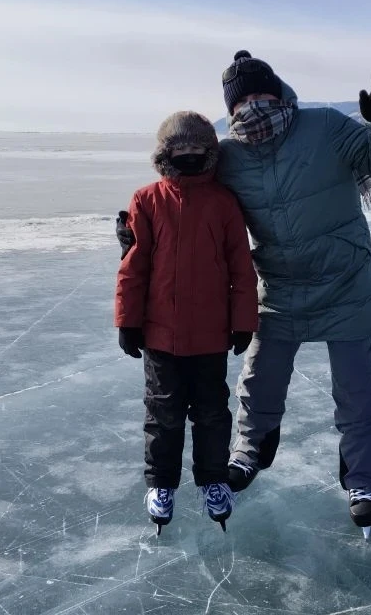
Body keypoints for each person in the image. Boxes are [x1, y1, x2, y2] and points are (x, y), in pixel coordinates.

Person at [118, 53, 371, 530]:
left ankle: (364, 481)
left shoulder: (325, 127)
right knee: (259, 380)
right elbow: (185, 189)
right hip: (280, 286)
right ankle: (248, 453)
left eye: (262, 96)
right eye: (243, 101)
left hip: (346, 284)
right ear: (231, 111)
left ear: (280, 93)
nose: (253, 108)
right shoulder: (230, 156)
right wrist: (135, 225)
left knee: (357, 392)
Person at [115, 111, 258, 534]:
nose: (190, 155)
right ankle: (162, 484)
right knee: (163, 414)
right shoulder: (147, 200)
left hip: (211, 336)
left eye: (198, 148)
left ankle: (213, 480)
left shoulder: (223, 202)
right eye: (180, 149)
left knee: (212, 414)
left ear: (210, 153)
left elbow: (241, 268)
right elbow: (133, 265)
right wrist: (128, 320)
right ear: (165, 154)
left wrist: (243, 322)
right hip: (160, 335)